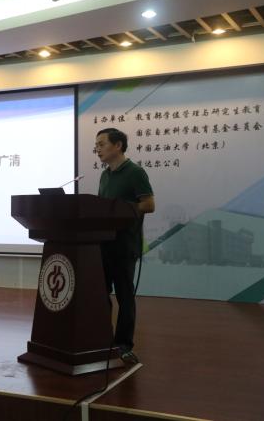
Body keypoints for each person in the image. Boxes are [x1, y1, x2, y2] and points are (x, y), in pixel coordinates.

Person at [95, 127, 155, 364]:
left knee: (125, 296)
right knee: (100, 294)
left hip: (125, 244)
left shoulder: (135, 172)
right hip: (103, 243)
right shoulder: (104, 175)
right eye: (96, 145)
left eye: (101, 144)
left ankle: (124, 344)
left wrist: (122, 209)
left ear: (118, 145)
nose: (97, 149)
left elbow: (149, 204)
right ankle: (102, 338)